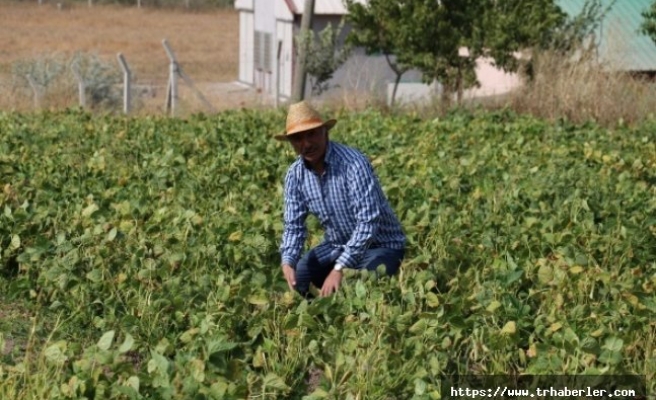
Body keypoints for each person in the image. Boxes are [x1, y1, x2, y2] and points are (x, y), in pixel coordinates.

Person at [275, 101, 406, 298]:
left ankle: (346, 305)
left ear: (324, 132)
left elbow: (368, 223)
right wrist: (288, 261)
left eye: (311, 134)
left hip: (380, 246)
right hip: (336, 246)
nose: (306, 144)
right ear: (291, 143)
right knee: (301, 276)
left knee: (359, 284)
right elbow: (294, 226)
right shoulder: (295, 175)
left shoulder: (353, 164)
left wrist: (340, 269)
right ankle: (319, 320)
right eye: (297, 138)